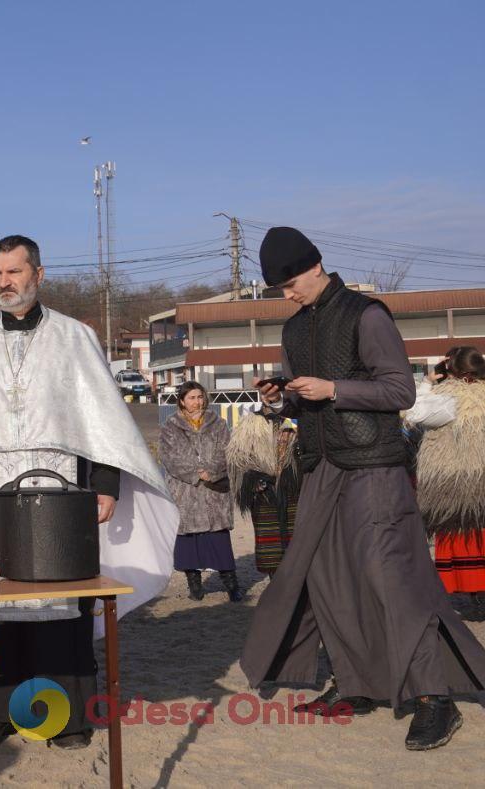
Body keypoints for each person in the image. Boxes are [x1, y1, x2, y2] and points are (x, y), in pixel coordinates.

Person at [0, 235, 178, 749]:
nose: (4, 283)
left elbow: (103, 421)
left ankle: (64, 716)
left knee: (60, 593)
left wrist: (106, 486)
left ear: (38, 274)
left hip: (60, 490)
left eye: (14, 272)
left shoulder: (75, 338)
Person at [240, 227, 485, 752]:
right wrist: (280, 400)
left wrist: (333, 389)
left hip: (375, 466)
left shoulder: (367, 315)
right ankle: (355, 685)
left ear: (314, 267)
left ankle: (433, 698)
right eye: (280, 288)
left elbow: (399, 390)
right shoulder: (293, 329)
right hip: (319, 467)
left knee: (391, 578)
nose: (287, 295)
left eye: (290, 284)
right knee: (327, 578)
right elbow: (302, 402)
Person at [406, 346, 485, 596]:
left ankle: (470, 588)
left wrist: (428, 382)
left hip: (455, 489)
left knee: (460, 535)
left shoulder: (449, 400)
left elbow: (413, 412)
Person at [160, 382, 243, 602]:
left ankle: (232, 584)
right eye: (191, 398)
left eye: (199, 397)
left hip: (214, 492)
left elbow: (227, 452)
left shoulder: (218, 424)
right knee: (188, 542)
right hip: (185, 492)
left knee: (219, 541)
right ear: (182, 401)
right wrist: (196, 474)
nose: (197, 402)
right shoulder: (170, 427)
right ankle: (194, 586)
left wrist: (212, 472)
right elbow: (169, 458)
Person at [227, 412, 301, 576]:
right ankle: (276, 584)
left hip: (294, 492)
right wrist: (253, 482)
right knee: (271, 550)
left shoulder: (295, 418)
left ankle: (297, 586)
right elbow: (238, 460)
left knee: (299, 546)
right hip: (265, 495)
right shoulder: (251, 424)